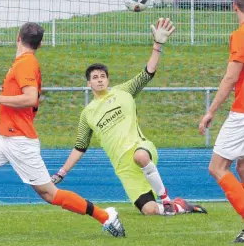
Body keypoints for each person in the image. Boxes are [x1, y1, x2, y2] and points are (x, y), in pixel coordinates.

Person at [0, 22, 125, 240]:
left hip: (19, 139)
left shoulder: (26, 64)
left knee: (49, 194)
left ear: (17, 37)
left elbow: (30, 98)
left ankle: (105, 216)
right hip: (2, 135)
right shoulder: (22, 63)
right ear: (41, 43)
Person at [52, 18, 207, 217]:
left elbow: (147, 73)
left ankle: (166, 199)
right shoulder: (87, 113)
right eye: (95, 78)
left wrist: (157, 45)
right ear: (89, 83)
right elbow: (80, 146)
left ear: (108, 79)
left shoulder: (123, 91)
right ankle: (180, 206)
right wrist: (61, 173)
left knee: (140, 156)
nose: (99, 80)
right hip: (123, 167)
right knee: (149, 211)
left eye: (102, 76)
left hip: (140, 148)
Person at [199, 0, 244, 243]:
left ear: (233, 5)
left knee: (217, 167)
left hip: (242, 112)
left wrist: (210, 111)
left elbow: (230, 78)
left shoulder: (240, 34)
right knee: (242, 166)